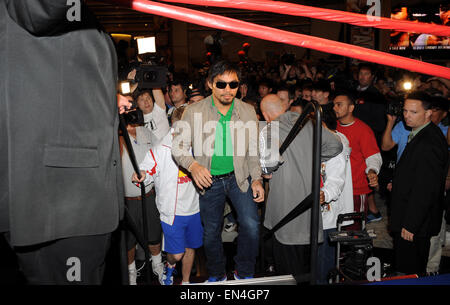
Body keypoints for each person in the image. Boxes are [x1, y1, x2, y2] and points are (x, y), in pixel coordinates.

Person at [0, 0, 132, 284]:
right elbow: (40, 9)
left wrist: (107, 103)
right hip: (62, 199)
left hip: (75, 200)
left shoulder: (79, 14)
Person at [172, 60, 264, 282]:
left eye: (233, 84)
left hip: (239, 177)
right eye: (221, 84)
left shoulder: (248, 111)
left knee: (251, 225)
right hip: (209, 180)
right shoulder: (194, 111)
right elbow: (178, 147)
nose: (228, 90)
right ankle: (217, 274)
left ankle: (243, 273)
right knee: (211, 231)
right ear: (210, 84)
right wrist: (193, 166)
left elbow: (253, 150)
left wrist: (257, 179)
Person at [260, 94, 343, 279]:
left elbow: (271, 160)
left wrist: (265, 169)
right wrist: (313, 159)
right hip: (311, 215)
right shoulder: (309, 123)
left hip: (286, 218)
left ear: (265, 115)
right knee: (308, 274)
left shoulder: (270, 129)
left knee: (288, 277)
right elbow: (337, 145)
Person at [132, 106, 203, 285]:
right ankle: (169, 266)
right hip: (172, 212)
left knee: (190, 248)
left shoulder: (199, 145)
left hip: (194, 208)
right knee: (177, 254)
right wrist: (141, 174)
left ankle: (185, 282)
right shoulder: (161, 149)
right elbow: (147, 168)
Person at [390, 92, 448, 275]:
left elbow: (426, 189)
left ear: (429, 113)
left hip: (414, 224)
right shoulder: (420, 133)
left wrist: (411, 224)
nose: (406, 115)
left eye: (413, 112)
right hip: (412, 218)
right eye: (405, 110)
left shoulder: (429, 141)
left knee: (410, 272)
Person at [121, 89, 169, 285]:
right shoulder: (117, 135)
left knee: (154, 234)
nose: (131, 110)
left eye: (132, 106)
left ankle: (157, 265)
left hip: (148, 195)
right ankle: (131, 272)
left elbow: (159, 156)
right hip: (127, 200)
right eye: (126, 107)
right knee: (129, 240)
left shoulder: (146, 131)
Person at [334, 91, 382, 230]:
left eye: (339, 105)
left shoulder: (363, 130)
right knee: (338, 227)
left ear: (351, 108)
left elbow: (373, 156)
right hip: (337, 187)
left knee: (354, 229)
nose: (334, 108)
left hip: (356, 188)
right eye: (334, 105)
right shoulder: (333, 127)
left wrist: (372, 171)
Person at [318, 105, 354, 284]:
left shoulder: (337, 143)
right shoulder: (319, 140)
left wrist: (325, 193)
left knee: (324, 257)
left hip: (328, 209)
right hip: (319, 210)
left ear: (322, 124)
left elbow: (336, 180)